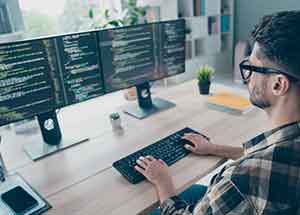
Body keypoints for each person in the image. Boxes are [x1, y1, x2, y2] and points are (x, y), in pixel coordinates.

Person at [134, 10, 300, 214]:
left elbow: (257, 169)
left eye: (252, 67)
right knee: (195, 190)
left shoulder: (240, 179)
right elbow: (271, 159)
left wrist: (163, 182)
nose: (247, 77)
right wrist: (215, 148)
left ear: (278, 85)